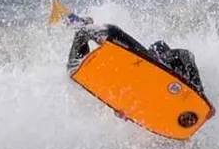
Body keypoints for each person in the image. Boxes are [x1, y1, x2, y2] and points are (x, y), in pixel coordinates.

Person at [67, 23, 205, 95]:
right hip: (145, 65)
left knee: (158, 46)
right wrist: (199, 91)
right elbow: (186, 55)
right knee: (109, 32)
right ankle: (84, 28)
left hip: (141, 73)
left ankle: (84, 28)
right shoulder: (163, 61)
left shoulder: (170, 65)